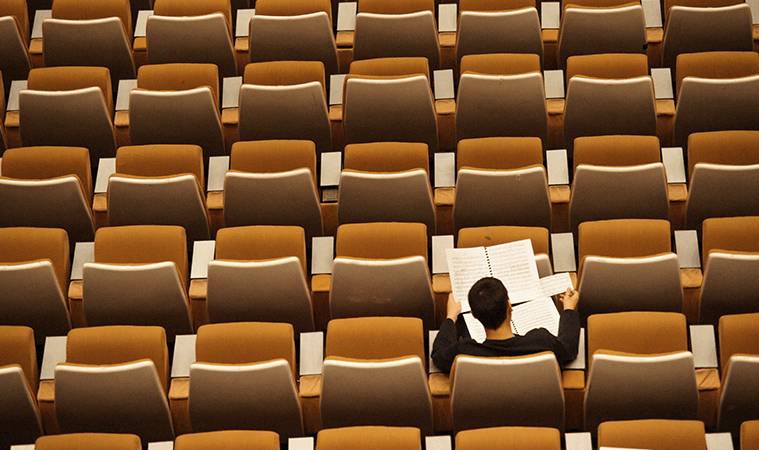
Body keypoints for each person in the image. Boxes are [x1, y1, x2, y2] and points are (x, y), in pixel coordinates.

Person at [431, 277, 580, 373]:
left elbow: (438, 354)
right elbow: (569, 348)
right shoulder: (542, 342)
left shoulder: (464, 352)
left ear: (474, 315)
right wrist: (568, 309)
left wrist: (451, 316)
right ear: (509, 306)